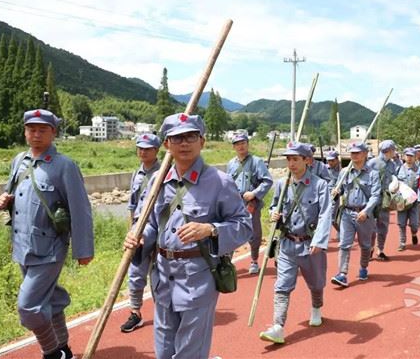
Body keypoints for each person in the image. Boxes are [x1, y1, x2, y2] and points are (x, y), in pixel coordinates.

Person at [124, 113, 252, 359]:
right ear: (166, 145)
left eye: (190, 136)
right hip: (163, 280)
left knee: (188, 355)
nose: (184, 143)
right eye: (177, 138)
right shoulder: (156, 183)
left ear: (202, 142)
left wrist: (211, 229)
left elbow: (244, 226)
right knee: (163, 353)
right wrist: (138, 237)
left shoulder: (220, 182)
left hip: (198, 281)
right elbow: (149, 224)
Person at [0, 109, 94, 359]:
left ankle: (53, 353)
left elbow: (81, 211)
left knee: (28, 307)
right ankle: (65, 348)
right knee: (51, 299)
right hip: (22, 246)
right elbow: (11, 194)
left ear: (53, 132)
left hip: (50, 249)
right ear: (25, 131)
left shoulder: (64, 166)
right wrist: (0, 202)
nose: (36, 134)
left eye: (42, 129)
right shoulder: (20, 161)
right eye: (31, 129)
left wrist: (83, 251)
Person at [259, 142, 332, 344]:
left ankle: (316, 307)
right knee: (282, 285)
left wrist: (319, 240)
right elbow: (275, 205)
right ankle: (278, 327)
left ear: (307, 161)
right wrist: (274, 213)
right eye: (288, 159)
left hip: (310, 245)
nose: (291, 163)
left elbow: (326, 213)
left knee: (316, 283)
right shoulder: (282, 184)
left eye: (295, 159)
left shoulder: (320, 185)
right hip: (287, 243)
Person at [120, 133, 162, 333]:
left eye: (147, 148)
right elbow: (132, 204)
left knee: (160, 272)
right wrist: (133, 228)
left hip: (159, 228)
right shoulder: (137, 173)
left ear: (157, 150)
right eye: (140, 148)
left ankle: (164, 312)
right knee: (136, 270)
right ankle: (135, 312)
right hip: (140, 230)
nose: (143, 152)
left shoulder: (164, 171)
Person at [331, 142, 381, 287]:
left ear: (365, 154)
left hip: (364, 214)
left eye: (357, 152)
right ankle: (342, 274)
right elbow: (341, 190)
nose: (354, 155)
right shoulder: (344, 172)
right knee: (344, 244)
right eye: (352, 152)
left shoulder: (373, 174)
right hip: (347, 212)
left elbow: (376, 195)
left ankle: (364, 267)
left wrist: (366, 211)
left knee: (365, 245)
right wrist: (336, 192)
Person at [226, 132, 273, 275]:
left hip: (251, 202)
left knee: (254, 232)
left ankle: (253, 260)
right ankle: (228, 262)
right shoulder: (231, 164)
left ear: (247, 144)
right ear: (233, 146)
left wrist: (254, 193)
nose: (240, 146)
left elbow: (267, 181)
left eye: (243, 143)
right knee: (231, 230)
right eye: (237, 144)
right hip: (234, 202)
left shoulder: (256, 161)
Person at [367, 140, 400, 260]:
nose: (394, 152)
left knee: (383, 226)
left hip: (385, 200)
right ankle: (369, 248)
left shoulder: (392, 164)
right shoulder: (372, 163)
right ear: (389, 150)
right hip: (372, 199)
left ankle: (380, 249)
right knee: (370, 226)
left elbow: (395, 179)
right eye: (393, 150)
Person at [396, 147, 420, 251]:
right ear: (404, 156)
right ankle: (402, 242)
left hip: (414, 201)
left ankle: (414, 233)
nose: (409, 158)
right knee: (401, 223)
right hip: (402, 200)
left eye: (411, 156)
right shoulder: (398, 169)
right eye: (407, 156)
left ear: (415, 158)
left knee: (414, 223)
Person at [325, 150, 341, 237]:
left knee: (331, 219)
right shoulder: (324, 168)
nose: (330, 162)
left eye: (332, 160)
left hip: (334, 197)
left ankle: (341, 231)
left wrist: (338, 190)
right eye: (328, 160)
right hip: (323, 195)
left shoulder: (342, 172)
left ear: (337, 160)